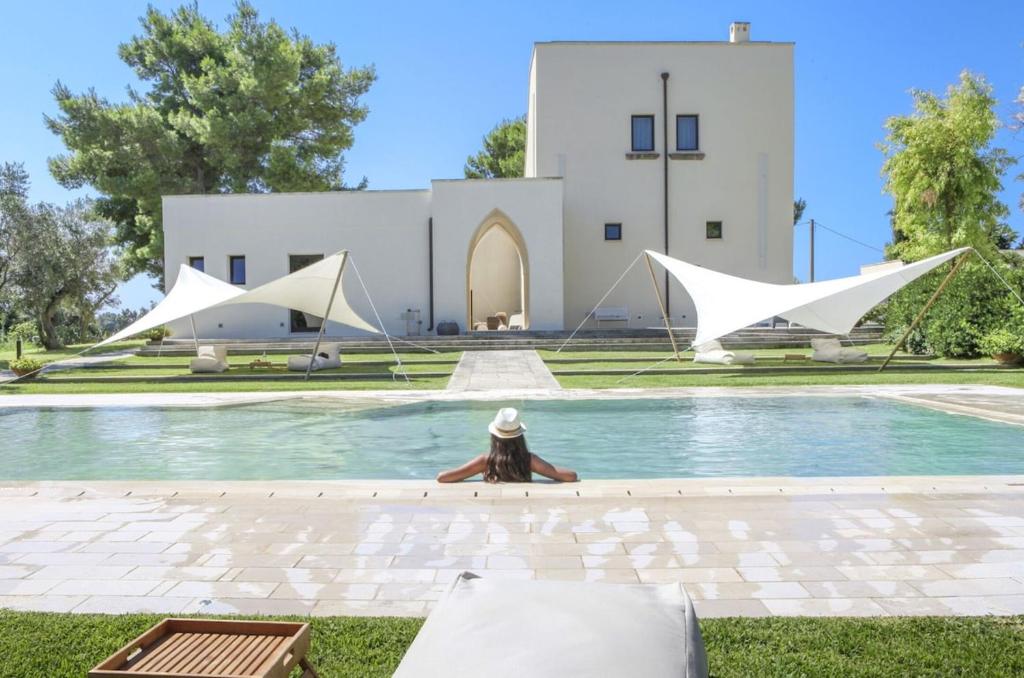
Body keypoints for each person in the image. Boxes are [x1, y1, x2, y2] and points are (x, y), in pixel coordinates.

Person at [436, 407, 578, 483]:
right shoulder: (529, 460)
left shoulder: (485, 461)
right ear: (520, 436)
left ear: (494, 436)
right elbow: (570, 476)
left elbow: (443, 477)